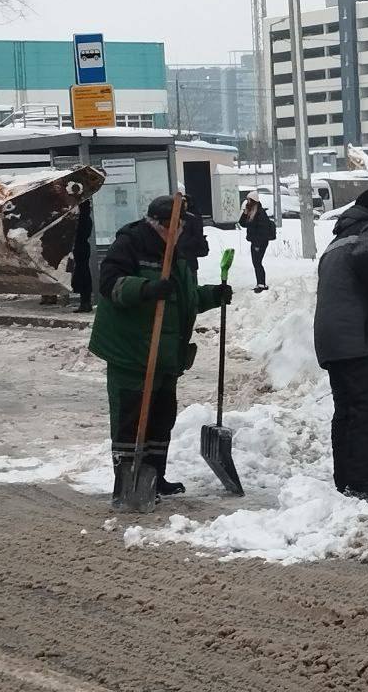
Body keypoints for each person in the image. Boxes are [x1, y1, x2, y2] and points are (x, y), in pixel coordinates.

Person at [89, 195, 231, 509]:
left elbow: (184, 297)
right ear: (162, 224)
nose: (180, 231)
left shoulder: (176, 253)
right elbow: (110, 284)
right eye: (177, 226)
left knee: (160, 418)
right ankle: (127, 484)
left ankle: (155, 476)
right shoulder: (131, 243)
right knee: (131, 419)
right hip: (131, 351)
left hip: (165, 353)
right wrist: (145, 289)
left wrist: (212, 295)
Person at [314, 189, 368, 506]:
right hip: (357, 340)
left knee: (348, 410)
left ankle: (347, 480)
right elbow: (366, 258)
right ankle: (366, 481)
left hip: (331, 341)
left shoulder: (336, 239)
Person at [238, 191, 276, 293]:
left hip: (260, 242)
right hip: (255, 241)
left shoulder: (260, 213)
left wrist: (257, 245)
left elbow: (262, 231)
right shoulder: (251, 212)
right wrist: (245, 213)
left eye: (249, 200)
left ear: (253, 201)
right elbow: (242, 223)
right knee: (256, 263)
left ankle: (261, 284)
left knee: (257, 262)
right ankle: (260, 283)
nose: (247, 202)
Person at [70, 199, 94, 313]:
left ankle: (85, 302)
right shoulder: (86, 219)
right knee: (82, 272)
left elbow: (79, 234)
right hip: (82, 248)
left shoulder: (82, 220)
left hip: (80, 248)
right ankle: (85, 302)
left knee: (82, 273)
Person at [177, 197, 209, 276]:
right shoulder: (191, 218)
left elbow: (198, 236)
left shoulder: (192, 218)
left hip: (188, 256)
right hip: (185, 257)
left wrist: (184, 244)